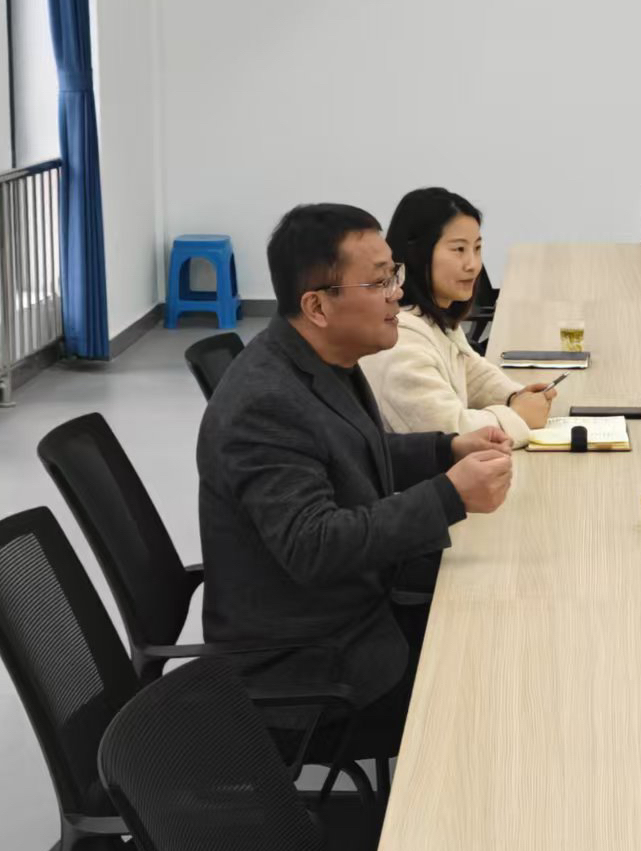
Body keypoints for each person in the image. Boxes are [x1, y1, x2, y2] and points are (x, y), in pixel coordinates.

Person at [198, 203, 514, 758]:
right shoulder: (265, 404)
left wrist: (446, 449)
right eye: (379, 282)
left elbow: (350, 451)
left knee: (508, 621)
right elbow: (315, 544)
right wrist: (449, 495)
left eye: (394, 274)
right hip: (313, 671)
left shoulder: (322, 357)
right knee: (499, 685)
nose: (398, 292)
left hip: (355, 618)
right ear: (317, 306)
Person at [363, 187, 554, 449]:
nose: (472, 265)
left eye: (477, 248)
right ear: (418, 253)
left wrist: (514, 396)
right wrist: (518, 416)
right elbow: (449, 433)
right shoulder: (399, 340)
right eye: (459, 250)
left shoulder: (429, 318)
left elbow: (468, 370)